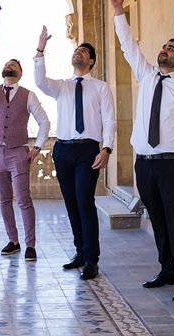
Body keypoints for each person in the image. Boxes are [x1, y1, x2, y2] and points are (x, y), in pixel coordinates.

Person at [107, 0, 174, 302]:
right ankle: (167, 270)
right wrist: (118, 11)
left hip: (172, 163)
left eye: (172, 49)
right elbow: (127, 45)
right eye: (164, 46)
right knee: (157, 218)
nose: (165, 50)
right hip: (144, 164)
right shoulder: (146, 74)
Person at [34, 27, 116, 280]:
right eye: (76, 50)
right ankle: (80, 252)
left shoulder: (100, 87)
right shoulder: (62, 86)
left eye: (84, 51)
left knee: (84, 201)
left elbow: (110, 120)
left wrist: (107, 148)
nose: (78, 53)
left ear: (90, 61)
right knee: (71, 203)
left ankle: (92, 258)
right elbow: (39, 81)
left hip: (87, 150)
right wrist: (40, 50)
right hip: (63, 149)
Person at [0, 38, 50, 260]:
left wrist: (37, 147)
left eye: (14, 64)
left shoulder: (28, 95)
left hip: (18, 152)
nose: (10, 65)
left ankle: (30, 244)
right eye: (8, 63)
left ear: (20, 73)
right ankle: (13, 240)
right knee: (4, 199)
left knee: (24, 199)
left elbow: (44, 122)